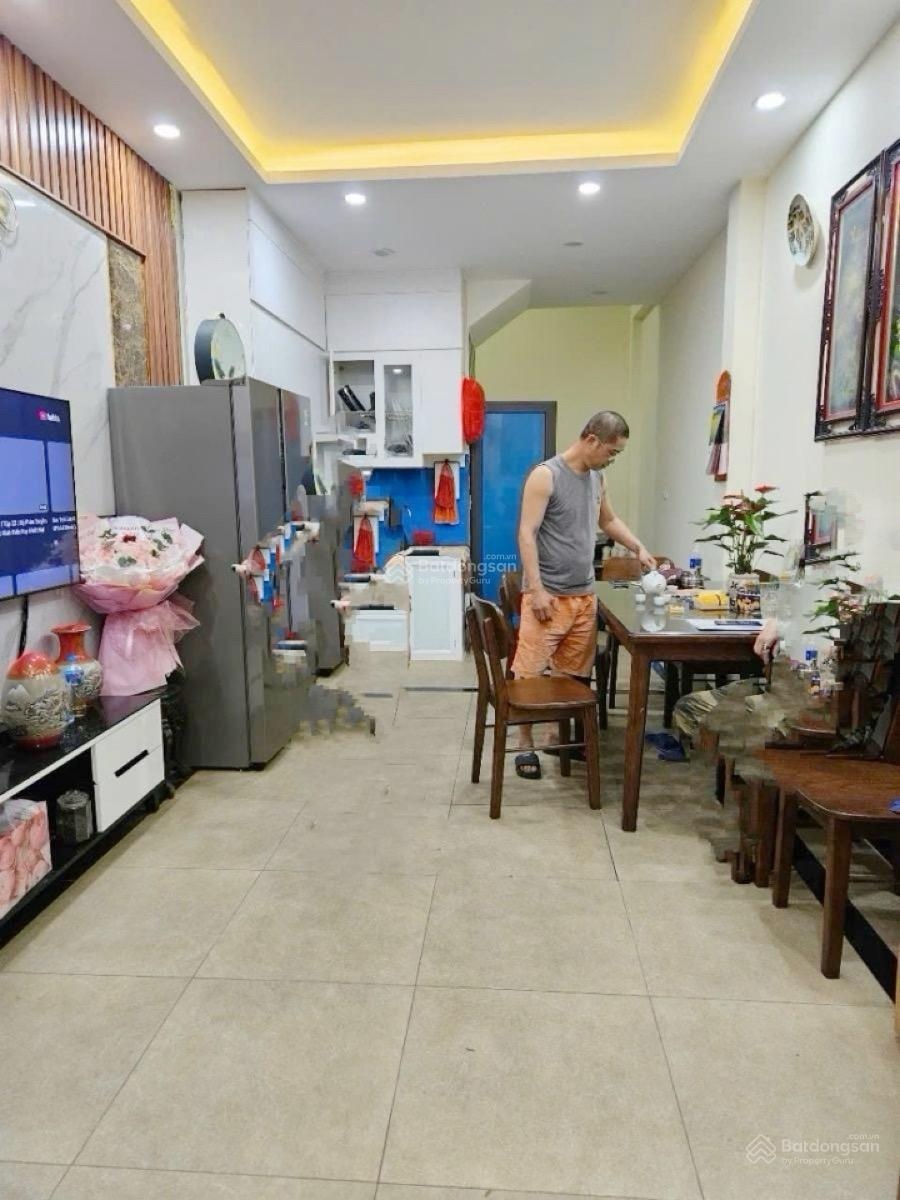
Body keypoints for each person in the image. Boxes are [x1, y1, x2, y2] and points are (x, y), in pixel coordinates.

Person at [513, 410, 655, 779]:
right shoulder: (546, 476)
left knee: (574, 673)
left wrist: (637, 547)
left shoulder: (597, 478)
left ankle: (555, 737)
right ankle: (524, 744)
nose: (612, 459)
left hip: (583, 595)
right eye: (611, 451)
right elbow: (527, 533)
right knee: (530, 674)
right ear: (591, 440)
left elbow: (608, 520)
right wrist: (536, 590)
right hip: (548, 595)